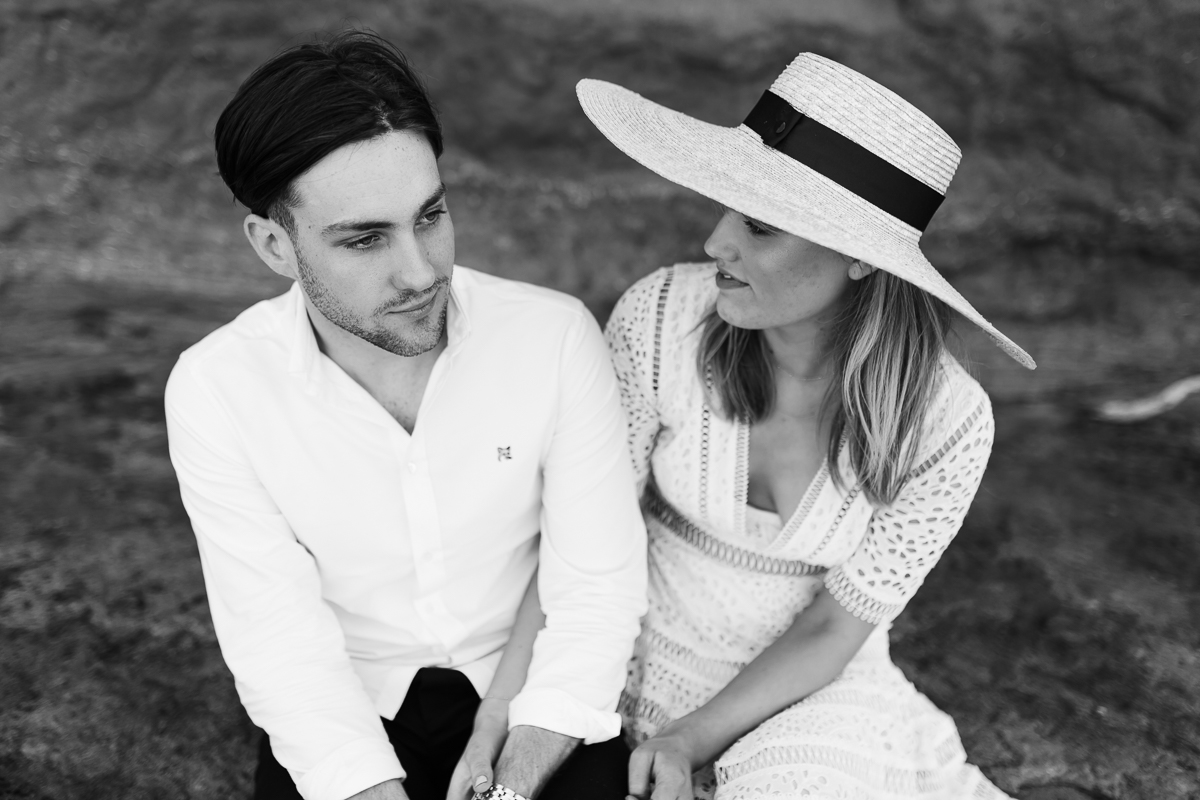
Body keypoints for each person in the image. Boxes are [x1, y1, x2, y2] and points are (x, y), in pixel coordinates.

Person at [164, 31, 646, 800]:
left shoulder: (552, 338)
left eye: (430, 216)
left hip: (529, 687)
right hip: (351, 704)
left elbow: (596, 588)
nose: (421, 273)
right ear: (274, 246)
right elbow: (280, 647)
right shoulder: (218, 389)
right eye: (365, 239)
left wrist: (516, 780)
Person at [577, 53, 1036, 799]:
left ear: (861, 258)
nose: (716, 243)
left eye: (759, 226)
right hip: (634, 643)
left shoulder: (947, 422)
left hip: (812, 682)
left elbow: (835, 628)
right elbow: (586, 535)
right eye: (728, 208)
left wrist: (689, 739)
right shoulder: (661, 319)